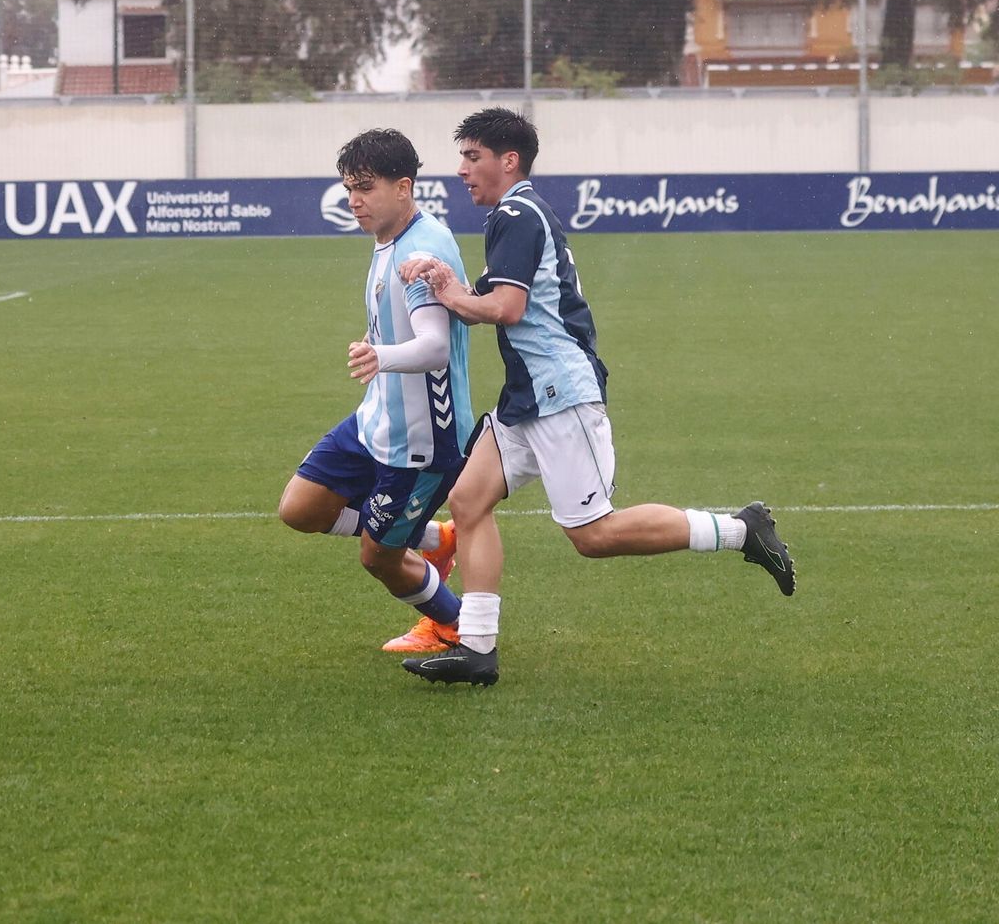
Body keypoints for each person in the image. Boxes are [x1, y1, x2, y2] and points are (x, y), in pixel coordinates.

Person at [397, 107, 794, 687]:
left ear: (509, 162)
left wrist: (451, 294)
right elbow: (492, 294)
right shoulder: (519, 214)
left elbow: (503, 309)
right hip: (525, 397)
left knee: (594, 536)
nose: (461, 170)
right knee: (468, 501)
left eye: (472, 157)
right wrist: (442, 277)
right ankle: (476, 648)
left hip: (559, 392)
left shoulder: (516, 213)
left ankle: (742, 529)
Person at [277, 128, 475, 651]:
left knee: (380, 558)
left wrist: (378, 355)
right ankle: (437, 538)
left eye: (365, 187)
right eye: (349, 188)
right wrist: (380, 338)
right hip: (376, 420)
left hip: (422, 439)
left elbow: (434, 347)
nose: (354, 201)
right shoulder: (392, 236)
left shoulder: (421, 251)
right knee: (301, 508)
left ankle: (455, 628)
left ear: (404, 187)